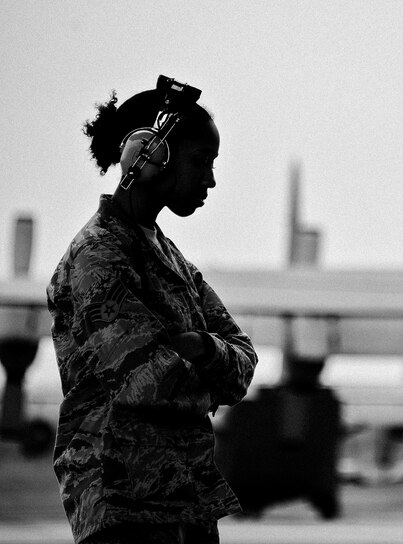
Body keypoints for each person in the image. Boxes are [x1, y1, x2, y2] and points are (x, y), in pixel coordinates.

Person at [46, 76, 259, 544]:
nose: (210, 179)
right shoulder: (98, 256)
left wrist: (200, 346)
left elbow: (243, 362)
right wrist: (211, 368)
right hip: (123, 504)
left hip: (186, 499)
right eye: (200, 162)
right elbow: (145, 381)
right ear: (150, 156)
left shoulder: (171, 259)